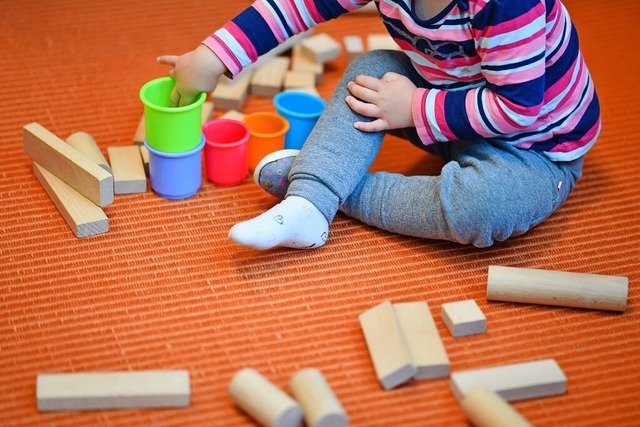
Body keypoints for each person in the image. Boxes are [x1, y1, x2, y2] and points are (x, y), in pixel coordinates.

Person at [158, 0, 600, 250]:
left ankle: (328, 187)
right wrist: (213, 56)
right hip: (444, 102)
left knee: (482, 209)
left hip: (535, 148)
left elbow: (519, 108)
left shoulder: (506, 4)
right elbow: (295, 8)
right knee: (370, 71)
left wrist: (414, 108)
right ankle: (311, 203)